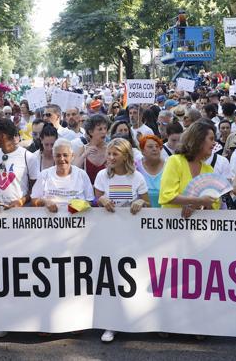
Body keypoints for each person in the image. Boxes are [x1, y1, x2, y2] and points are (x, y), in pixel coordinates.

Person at [93, 137, 150, 344]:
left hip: (131, 237)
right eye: (108, 154)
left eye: (115, 154)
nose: (110, 157)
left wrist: (139, 203)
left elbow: (147, 203)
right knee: (110, 278)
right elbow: (96, 198)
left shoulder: (137, 178)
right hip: (107, 235)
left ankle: (133, 318)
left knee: (130, 279)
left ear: (125, 156)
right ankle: (111, 323)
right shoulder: (101, 176)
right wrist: (101, 199)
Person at [159, 120, 221, 218]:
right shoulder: (175, 161)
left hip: (198, 230)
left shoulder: (209, 170)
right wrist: (198, 201)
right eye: (211, 139)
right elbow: (166, 195)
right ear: (199, 140)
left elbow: (214, 204)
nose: (214, 143)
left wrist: (198, 205)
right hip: (170, 227)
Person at [0, 118, 37, 212]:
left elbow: (36, 189)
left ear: (3, 136)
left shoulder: (28, 157)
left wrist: (20, 201)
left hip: (20, 214)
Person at [31, 138, 94, 212]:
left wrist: (79, 206)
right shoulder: (45, 175)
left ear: (72, 156)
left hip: (76, 220)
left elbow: (90, 201)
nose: (62, 159)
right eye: (58, 155)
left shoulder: (81, 174)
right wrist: (45, 201)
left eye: (65, 155)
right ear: (53, 157)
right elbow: (34, 200)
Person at [73, 114, 110, 184]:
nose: (104, 132)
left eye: (105, 128)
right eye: (100, 129)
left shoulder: (110, 149)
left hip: (106, 192)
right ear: (90, 132)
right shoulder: (83, 149)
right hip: (87, 192)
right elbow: (74, 171)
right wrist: (84, 155)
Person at [137, 134, 164, 207]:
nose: (155, 149)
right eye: (150, 147)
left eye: (157, 146)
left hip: (166, 213)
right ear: (142, 151)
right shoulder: (135, 167)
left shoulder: (169, 165)